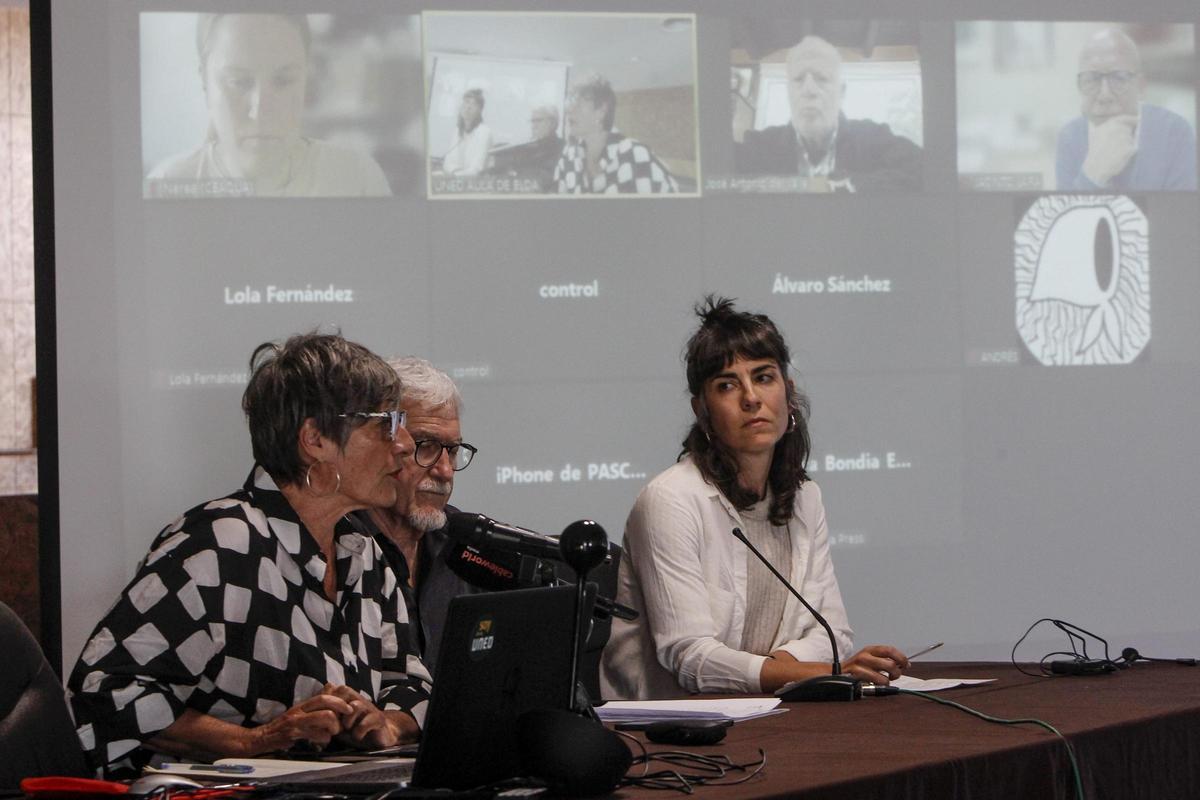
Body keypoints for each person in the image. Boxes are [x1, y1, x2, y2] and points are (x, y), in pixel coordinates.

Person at [67, 334, 430, 775]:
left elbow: (411, 685)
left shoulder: (363, 553)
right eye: (384, 424)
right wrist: (254, 741)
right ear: (315, 439)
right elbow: (107, 691)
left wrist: (386, 724)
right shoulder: (220, 544)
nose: (406, 443)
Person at [601, 297, 908, 700]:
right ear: (702, 410)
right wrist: (818, 672)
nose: (750, 398)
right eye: (727, 385)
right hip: (667, 732)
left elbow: (830, 631)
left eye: (764, 377)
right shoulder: (670, 500)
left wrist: (787, 670)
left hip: (769, 714)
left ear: (789, 393)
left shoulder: (804, 498)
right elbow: (689, 655)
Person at [145, 14, 391, 197]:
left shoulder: (358, 180)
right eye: (238, 82)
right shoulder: (166, 185)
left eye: (284, 81)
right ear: (204, 82)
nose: (260, 111)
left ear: (306, 79)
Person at [358, 358, 481, 673]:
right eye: (425, 445)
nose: (444, 471)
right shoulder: (341, 547)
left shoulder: (469, 544)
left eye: (452, 451)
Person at [735, 35, 922, 192]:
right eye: (798, 79)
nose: (808, 90)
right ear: (788, 92)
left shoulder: (873, 137)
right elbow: (712, 178)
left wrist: (846, 186)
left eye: (822, 78)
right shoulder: (760, 146)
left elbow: (929, 171)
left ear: (841, 92)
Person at [1055, 27, 1196, 191]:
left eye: (1119, 78)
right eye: (1091, 79)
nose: (1104, 95)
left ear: (1141, 86)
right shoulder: (1069, 137)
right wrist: (1092, 174)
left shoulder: (1175, 131)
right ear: (1080, 86)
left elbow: (1182, 212)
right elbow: (1065, 214)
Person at [554, 74, 679, 194]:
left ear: (601, 111)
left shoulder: (634, 154)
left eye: (578, 105)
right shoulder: (568, 157)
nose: (569, 111)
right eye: (569, 105)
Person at [488, 105, 566, 192]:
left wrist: (516, 174)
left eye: (538, 121)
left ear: (552, 123)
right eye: (532, 121)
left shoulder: (562, 148)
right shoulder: (527, 148)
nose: (533, 126)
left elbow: (546, 177)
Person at [440, 88, 493, 177]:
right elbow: (447, 163)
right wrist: (454, 172)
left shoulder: (484, 132)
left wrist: (455, 175)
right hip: (456, 178)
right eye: (466, 102)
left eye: (474, 104)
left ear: (480, 111)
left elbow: (476, 169)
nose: (468, 107)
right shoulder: (457, 130)